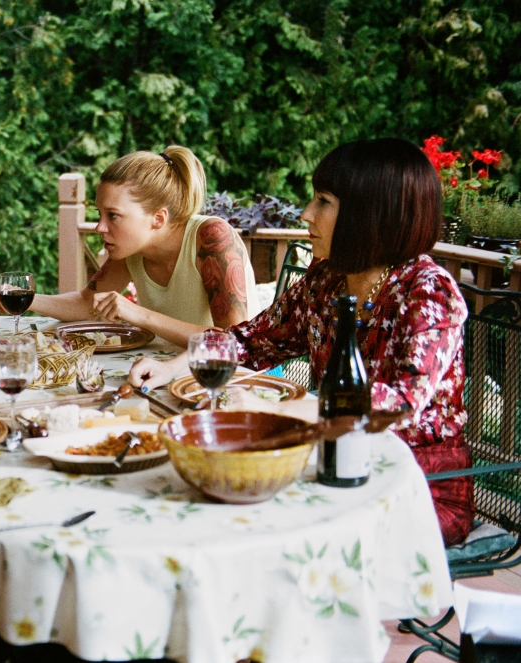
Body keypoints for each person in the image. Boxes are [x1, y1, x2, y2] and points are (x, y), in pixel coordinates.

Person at [129, 138, 473, 545]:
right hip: (325, 461)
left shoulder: (429, 292)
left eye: (323, 201)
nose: (307, 213)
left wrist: (283, 411)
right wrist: (176, 365)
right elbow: (252, 340)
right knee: (212, 502)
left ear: (371, 213)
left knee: (252, 526)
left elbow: (399, 403)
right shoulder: (327, 278)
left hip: (413, 483)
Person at [0, 146, 260, 346]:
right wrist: (26, 299)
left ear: (158, 218)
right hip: (168, 370)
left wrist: (138, 314)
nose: (99, 227)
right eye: (100, 214)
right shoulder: (131, 249)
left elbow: (234, 340)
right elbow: (86, 303)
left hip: (237, 380)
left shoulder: (212, 237)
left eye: (113, 216)